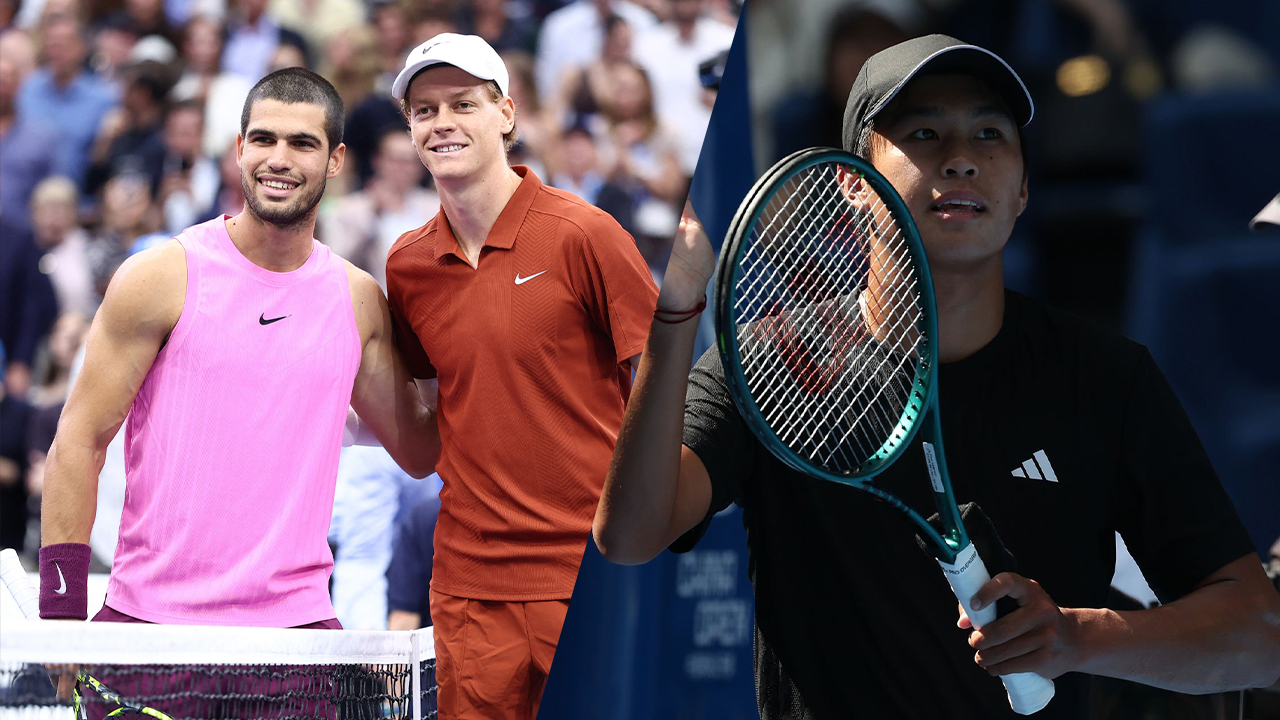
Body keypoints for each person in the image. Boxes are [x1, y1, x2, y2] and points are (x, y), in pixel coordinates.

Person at [593, 35, 1280, 720]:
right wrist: (675, 312)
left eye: (990, 134)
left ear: (1022, 189)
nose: (960, 159)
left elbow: (1258, 637)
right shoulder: (774, 361)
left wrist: (1075, 637)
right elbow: (629, 535)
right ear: (853, 183)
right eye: (924, 133)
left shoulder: (1106, 378)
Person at [38, 68, 438, 640]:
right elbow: (78, 440)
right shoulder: (161, 275)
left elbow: (421, 449)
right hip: (151, 624)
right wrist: (61, 616)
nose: (279, 158)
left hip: (296, 632)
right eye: (264, 139)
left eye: (302, 143)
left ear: (335, 160)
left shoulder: (357, 299)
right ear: (238, 150)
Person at [384, 33, 658, 720]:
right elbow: (433, 410)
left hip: (589, 573)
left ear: (506, 113)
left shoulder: (585, 234)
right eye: (424, 110)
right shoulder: (407, 266)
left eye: (463, 104)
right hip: (470, 587)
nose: (441, 122)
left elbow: (663, 378)